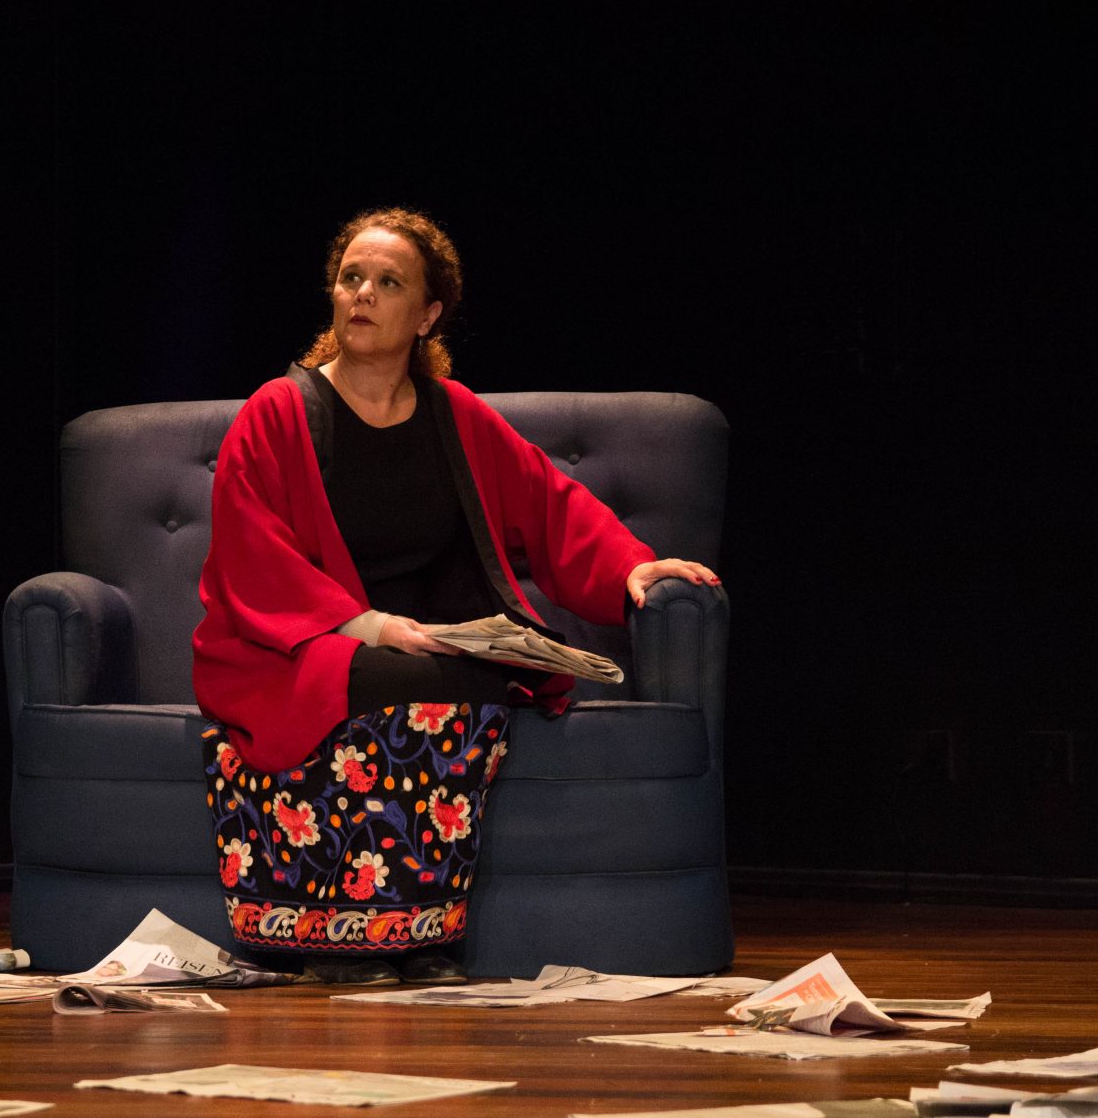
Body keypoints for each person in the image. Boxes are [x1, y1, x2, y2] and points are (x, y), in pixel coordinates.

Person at [193, 208, 719, 986]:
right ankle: (345, 941)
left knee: (479, 677)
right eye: (351, 278)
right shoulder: (279, 409)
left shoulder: (454, 415)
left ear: (427, 313)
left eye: (388, 282)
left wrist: (628, 569)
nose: (362, 294)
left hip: (428, 643)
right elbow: (251, 553)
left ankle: (415, 932)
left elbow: (549, 503)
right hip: (298, 645)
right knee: (405, 676)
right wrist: (372, 626)